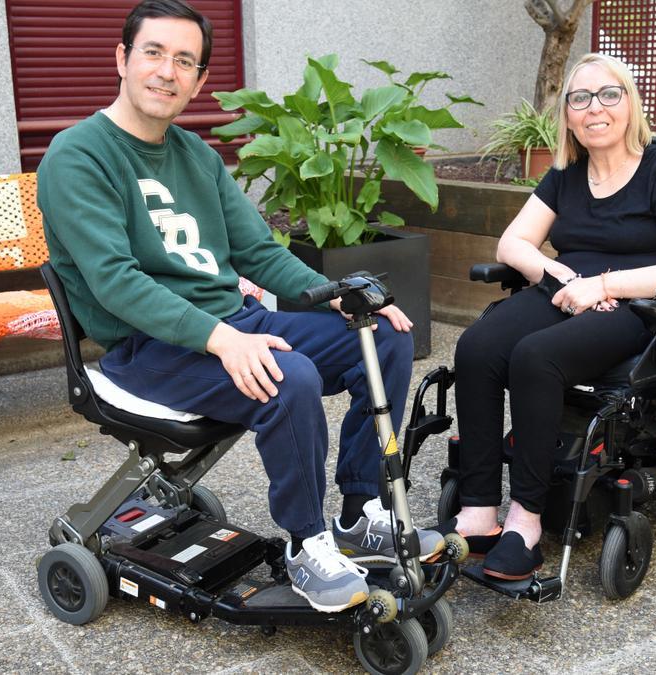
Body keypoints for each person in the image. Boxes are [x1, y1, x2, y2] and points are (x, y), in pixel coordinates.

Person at [36, 0, 442, 613]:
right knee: (290, 376)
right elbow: (116, 282)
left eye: (184, 61)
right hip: (147, 349)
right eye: (153, 53)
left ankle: (360, 516)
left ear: (199, 80)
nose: (166, 72)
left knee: (380, 337)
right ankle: (308, 545)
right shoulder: (78, 155)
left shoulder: (197, 156)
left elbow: (257, 251)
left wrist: (338, 299)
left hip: (231, 324)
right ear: (122, 59)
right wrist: (223, 339)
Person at [439, 53, 656, 580]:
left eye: (608, 94)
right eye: (580, 98)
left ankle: (525, 522)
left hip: (637, 304)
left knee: (535, 357)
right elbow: (513, 242)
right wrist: (564, 279)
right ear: (568, 115)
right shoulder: (566, 175)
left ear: (629, 102)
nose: (595, 108)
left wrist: (605, 285)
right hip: (569, 291)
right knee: (476, 347)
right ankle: (479, 512)